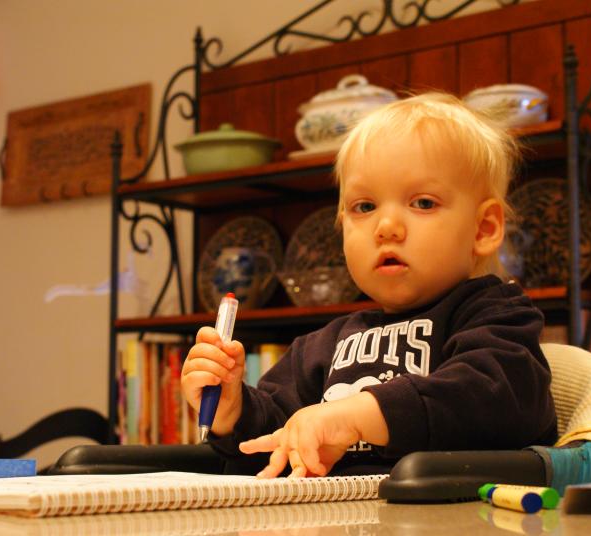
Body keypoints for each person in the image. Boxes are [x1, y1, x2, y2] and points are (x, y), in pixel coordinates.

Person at [180, 91, 558, 478]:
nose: (386, 227)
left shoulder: (497, 316)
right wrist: (232, 410)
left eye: (423, 203)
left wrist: (361, 414)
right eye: (364, 207)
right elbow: (270, 446)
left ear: (483, 229)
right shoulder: (320, 348)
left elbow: (495, 397)